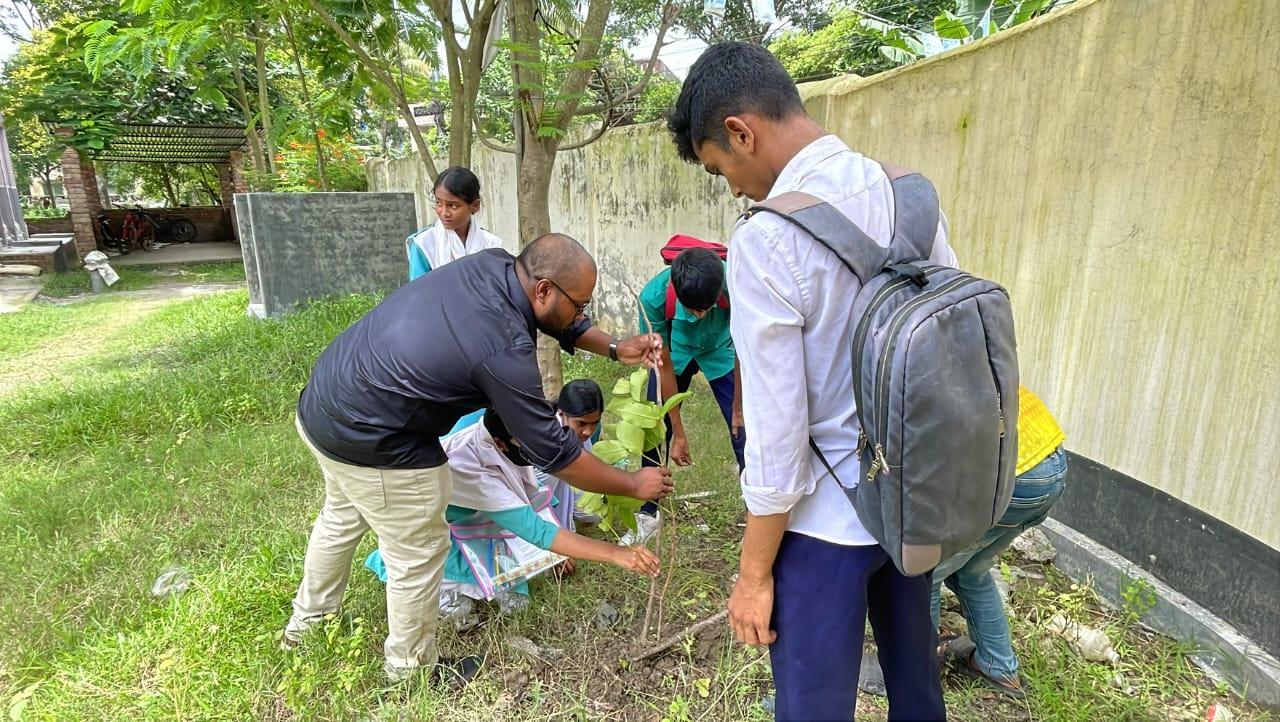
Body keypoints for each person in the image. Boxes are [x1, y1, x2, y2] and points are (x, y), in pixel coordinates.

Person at [666, 42, 954, 720]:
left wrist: (752, 575)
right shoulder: (909, 194)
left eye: (720, 168)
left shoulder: (767, 240)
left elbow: (777, 438)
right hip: (912, 503)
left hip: (825, 526)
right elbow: (945, 338)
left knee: (813, 706)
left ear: (741, 131)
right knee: (916, 685)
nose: (733, 186)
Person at [283, 233, 674, 684]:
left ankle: (306, 628)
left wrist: (611, 346)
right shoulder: (504, 351)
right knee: (418, 553)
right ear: (544, 290)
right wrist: (632, 484)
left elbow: (556, 320)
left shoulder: (495, 265)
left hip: (326, 403)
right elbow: (560, 456)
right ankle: (409, 671)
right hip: (375, 437)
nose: (582, 316)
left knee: (341, 518)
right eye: (580, 306)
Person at [364, 409, 659, 631]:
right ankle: (446, 586)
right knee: (458, 609)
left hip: (480, 518)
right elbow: (536, 531)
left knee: (516, 604)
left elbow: (534, 500)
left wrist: (557, 553)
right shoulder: (471, 470)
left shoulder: (499, 423)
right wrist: (617, 554)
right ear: (504, 445)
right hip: (432, 527)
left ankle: (487, 577)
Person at [627, 246, 743, 545]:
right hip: (676, 351)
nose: (700, 315)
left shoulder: (737, 279)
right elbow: (662, 366)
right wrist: (677, 431)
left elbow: (746, 344)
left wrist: (739, 408)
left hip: (722, 348)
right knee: (653, 424)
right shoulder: (653, 299)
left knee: (745, 430)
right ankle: (648, 512)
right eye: (693, 309)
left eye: (706, 308)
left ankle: (757, 506)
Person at [406, 166, 503, 281]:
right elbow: (418, 293)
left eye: (453, 206)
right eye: (439, 203)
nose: (444, 213)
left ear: (475, 206)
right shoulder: (424, 244)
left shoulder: (492, 244)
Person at [536, 378, 606, 533]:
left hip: (566, 481)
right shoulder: (549, 443)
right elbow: (537, 498)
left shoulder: (581, 430)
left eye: (594, 423)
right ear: (562, 414)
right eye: (581, 424)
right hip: (535, 494)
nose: (588, 431)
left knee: (595, 513)